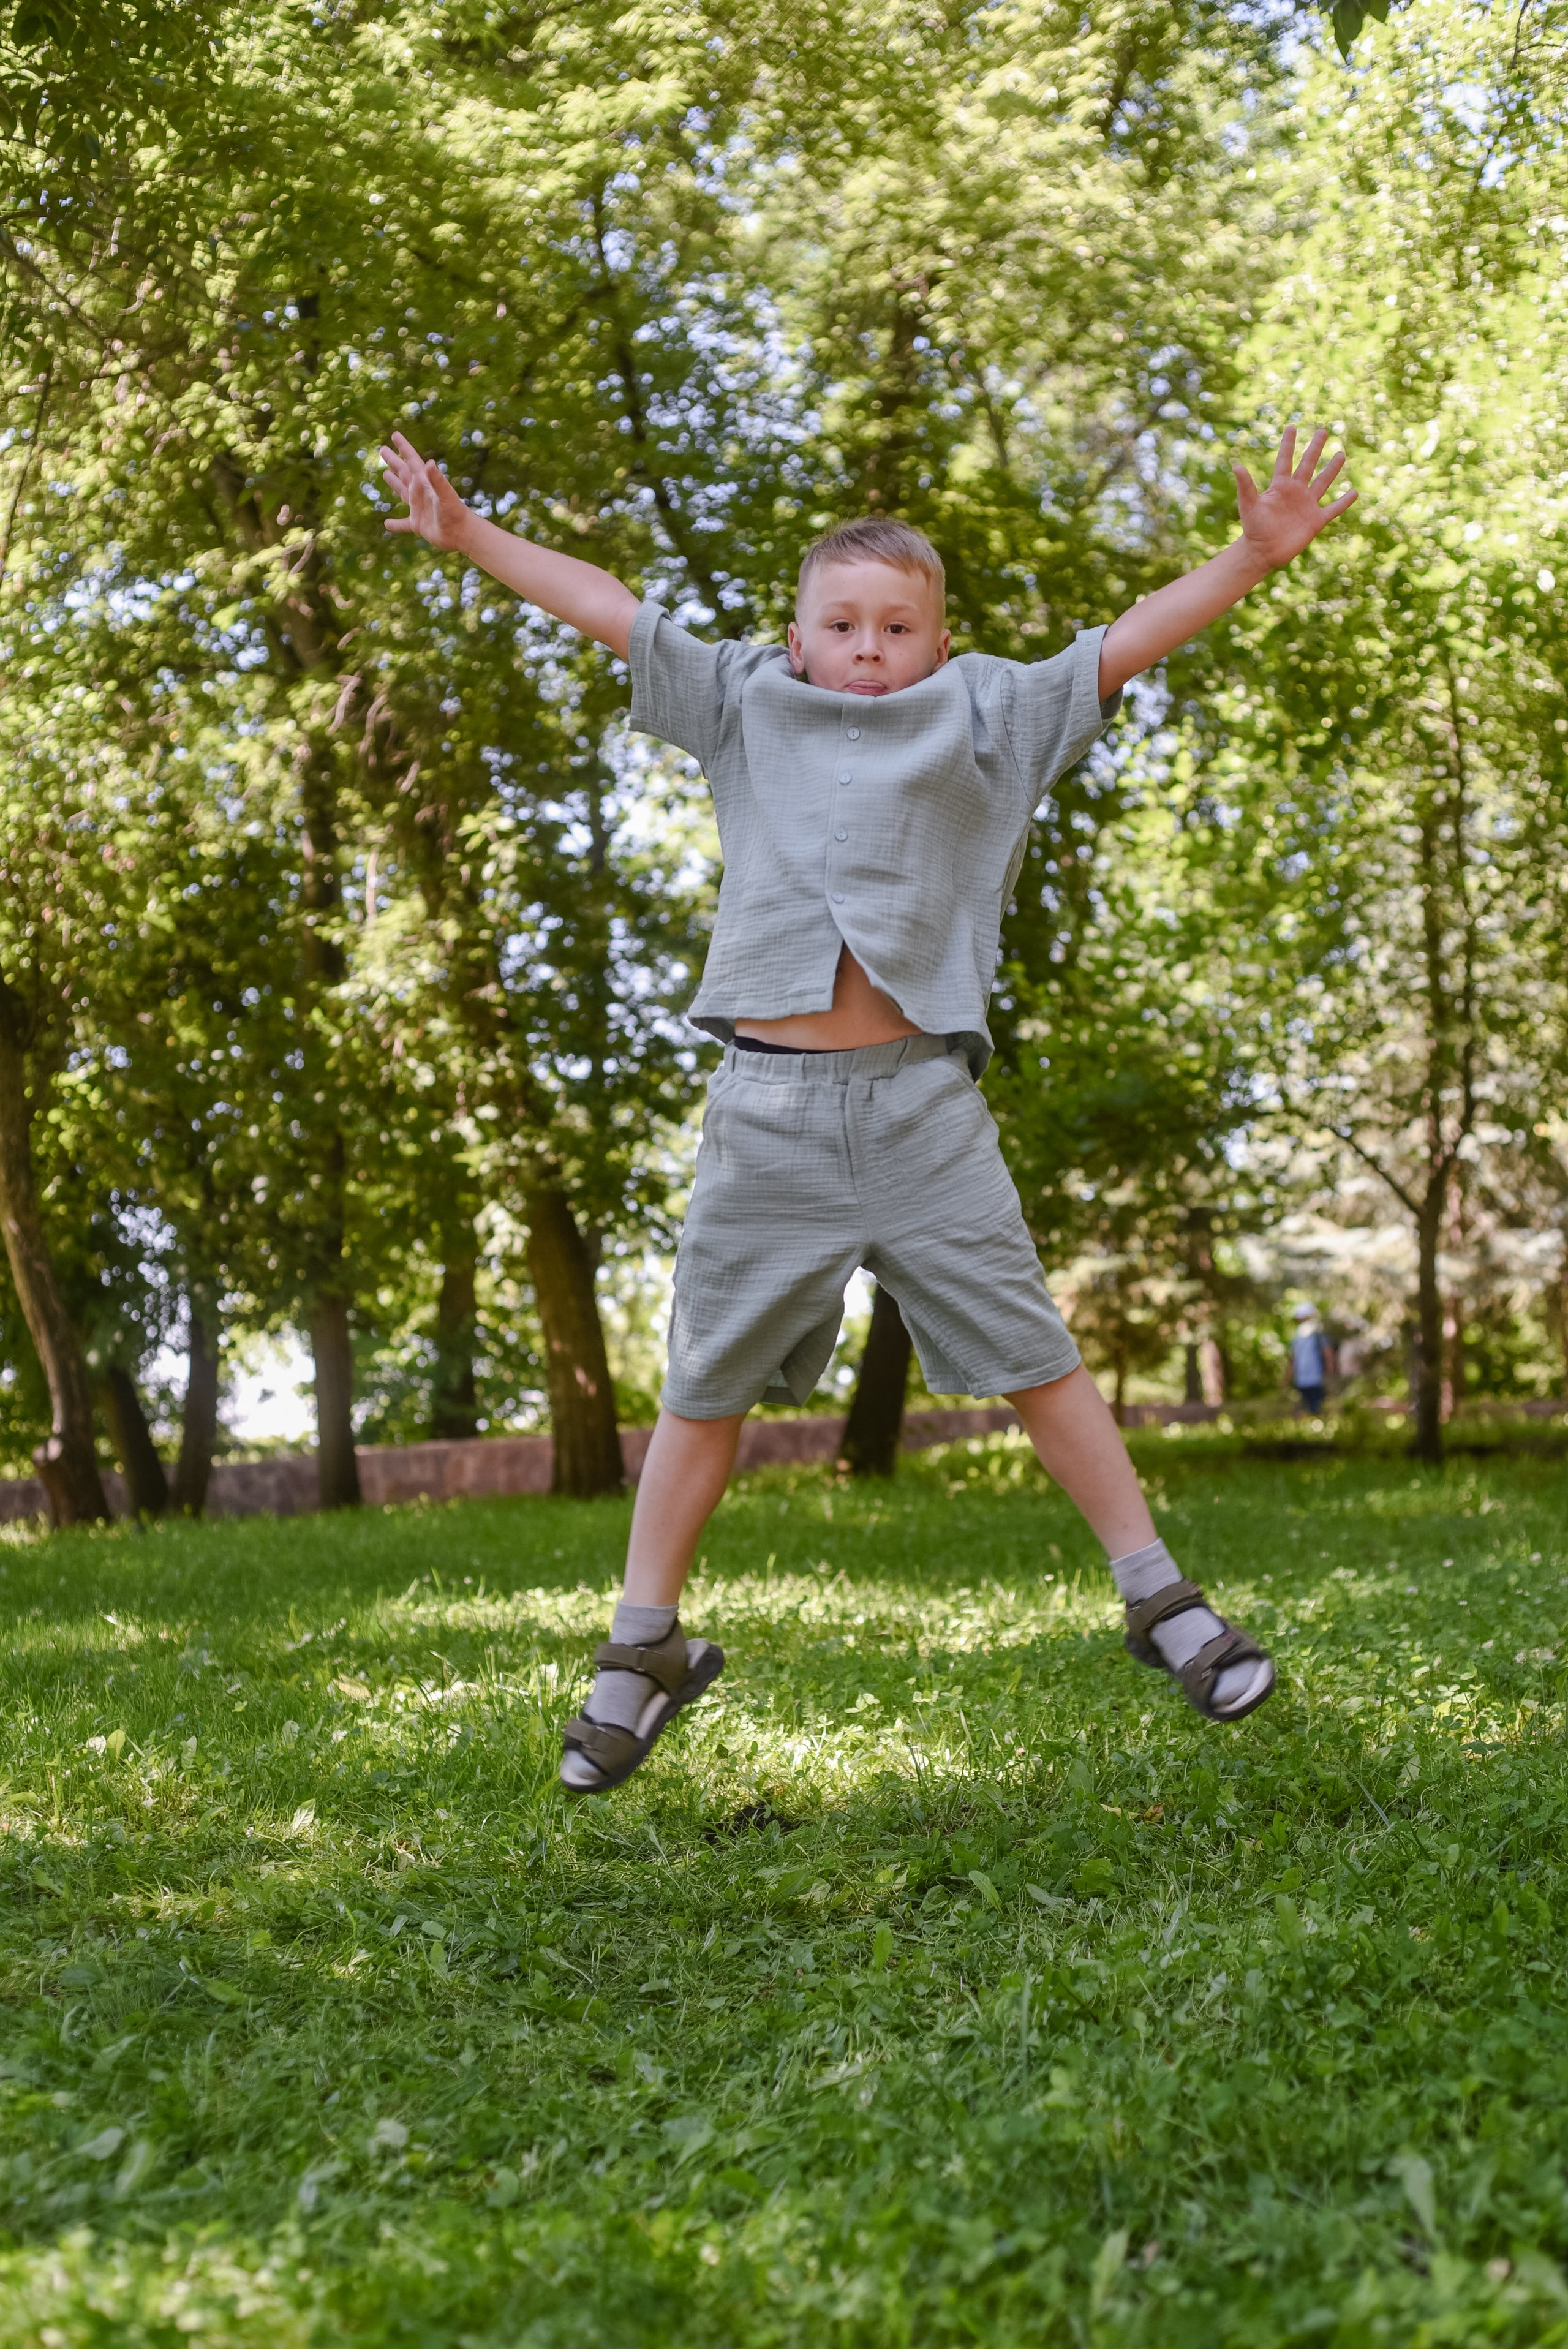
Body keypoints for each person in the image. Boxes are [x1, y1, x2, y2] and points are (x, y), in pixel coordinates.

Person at [380, 423, 1357, 1790]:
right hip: (765, 1117)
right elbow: (609, 607)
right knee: (702, 1389)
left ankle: (1156, 1596)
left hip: (919, 1116)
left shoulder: (987, 714)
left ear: (939, 644)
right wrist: (470, 535)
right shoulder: (739, 702)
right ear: (791, 639)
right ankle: (640, 1645)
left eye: (896, 625)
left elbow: (1125, 639)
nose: (865, 645)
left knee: (1034, 1357)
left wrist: (1249, 557)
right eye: (838, 622)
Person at [1288, 1303, 1335, 1415]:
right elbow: (1293, 1360)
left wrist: (1331, 1376)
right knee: (1307, 1410)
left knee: (1317, 1409)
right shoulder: (1297, 1337)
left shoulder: (1319, 1334)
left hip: (1317, 1379)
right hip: (1301, 1381)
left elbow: (1328, 1355)